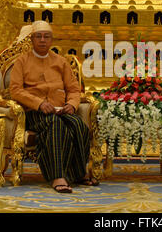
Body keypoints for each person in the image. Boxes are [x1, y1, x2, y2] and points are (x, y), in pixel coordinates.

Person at [9, 20, 98, 193]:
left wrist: (71, 105)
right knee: (56, 126)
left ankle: (78, 173)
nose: (42, 40)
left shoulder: (60, 61)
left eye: (46, 37)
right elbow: (16, 91)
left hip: (60, 110)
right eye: (38, 36)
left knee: (79, 125)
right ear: (32, 39)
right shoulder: (22, 61)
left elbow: (73, 89)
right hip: (34, 112)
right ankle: (57, 176)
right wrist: (39, 103)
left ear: (51, 40)